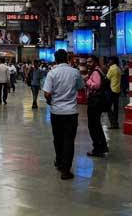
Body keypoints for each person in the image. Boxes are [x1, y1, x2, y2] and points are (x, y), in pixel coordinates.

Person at [43, 49, 84, 179]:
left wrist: (51, 101)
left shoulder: (52, 73)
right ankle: (66, 170)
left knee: (58, 138)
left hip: (56, 112)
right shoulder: (75, 72)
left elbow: (47, 93)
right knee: (69, 140)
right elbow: (80, 87)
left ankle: (59, 161)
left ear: (55, 59)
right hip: (71, 112)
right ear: (67, 58)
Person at [84, 55, 108, 157]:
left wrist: (87, 81)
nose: (88, 64)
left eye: (90, 62)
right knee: (96, 124)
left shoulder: (95, 72)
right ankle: (101, 146)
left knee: (93, 125)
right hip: (96, 101)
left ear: (95, 62)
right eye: (87, 62)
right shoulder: (97, 71)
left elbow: (97, 85)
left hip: (95, 101)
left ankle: (98, 148)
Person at [106, 57, 121, 129]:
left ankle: (113, 123)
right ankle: (116, 123)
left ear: (112, 61)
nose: (109, 62)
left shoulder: (111, 68)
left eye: (109, 60)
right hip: (117, 90)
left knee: (108, 107)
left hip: (112, 90)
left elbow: (107, 78)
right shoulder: (118, 68)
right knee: (116, 108)